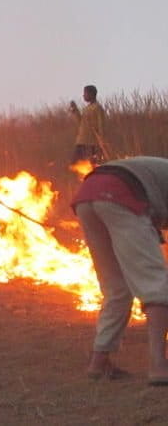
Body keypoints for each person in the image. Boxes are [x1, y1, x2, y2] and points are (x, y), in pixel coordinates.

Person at [72, 156, 168, 385]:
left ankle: (99, 362)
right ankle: (159, 366)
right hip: (122, 193)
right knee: (157, 286)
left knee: (117, 288)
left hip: (87, 195)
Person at [69, 85, 107, 165]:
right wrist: (75, 110)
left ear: (91, 94)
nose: (83, 95)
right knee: (75, 165)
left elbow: (101, 126)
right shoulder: (87, 108)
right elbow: (81, 122)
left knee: (91, 165)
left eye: (85, 93)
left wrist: (101, 143)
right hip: (81, 141)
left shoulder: (97, 108)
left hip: (91, 143)